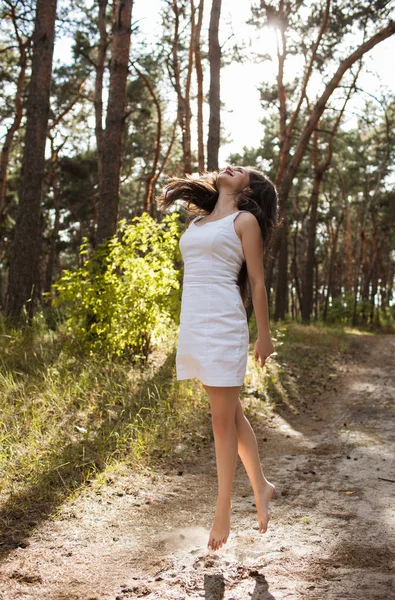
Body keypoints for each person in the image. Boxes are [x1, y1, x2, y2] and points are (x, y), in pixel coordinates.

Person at [157, 165, 280, 552]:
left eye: (242, 170)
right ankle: (261, 485)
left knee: (221, 419)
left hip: (224, 322)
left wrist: (264, 334)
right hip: (195, 321)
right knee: (227, 412)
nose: (233, 167)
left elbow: (257, 282)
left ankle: (223, 510)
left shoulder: (245, 221)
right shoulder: (199, 222)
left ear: (247, 191)